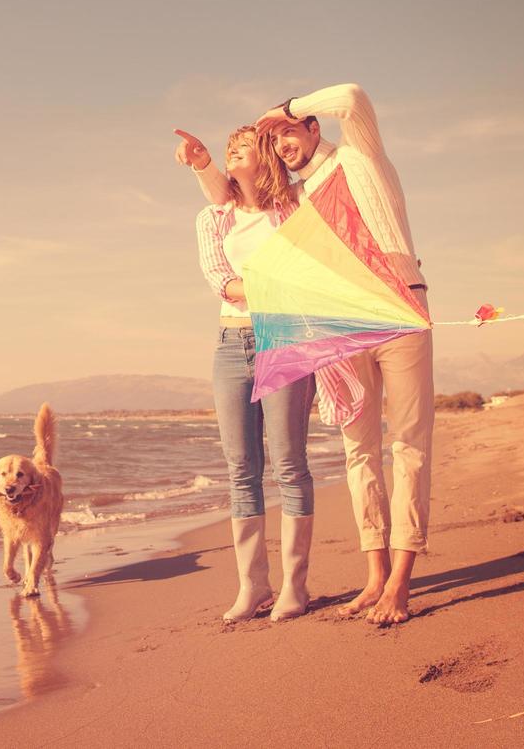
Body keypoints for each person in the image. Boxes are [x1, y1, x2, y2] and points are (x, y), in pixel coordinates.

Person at [179, 83, 433, 626]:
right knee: (356, 448)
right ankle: (367, 577)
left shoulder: (352, 160)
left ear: (314, 126)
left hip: (394, 309)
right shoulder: (300, 195)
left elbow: (355, 99)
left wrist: (285, 111)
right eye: (275, 138)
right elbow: (226, 205)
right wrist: (204, 167)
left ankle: (395, 581)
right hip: (327, 327)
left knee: (403, 444)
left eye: (289, 133)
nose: (283, 141)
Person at [179, 123, 317, 623]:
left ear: (266, 156)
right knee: (242, 469)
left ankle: (294, 588)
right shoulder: (212, 218)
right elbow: (224, 282)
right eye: (229, 148)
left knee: (289, 465)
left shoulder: (294, 208)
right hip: (230, 343)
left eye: (243, 146)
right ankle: (253, 586)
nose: (231, 152)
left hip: (286, 341)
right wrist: (277, 286)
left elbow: (307, 267)